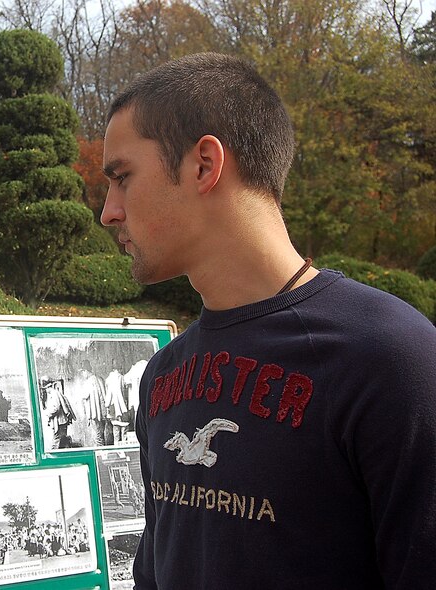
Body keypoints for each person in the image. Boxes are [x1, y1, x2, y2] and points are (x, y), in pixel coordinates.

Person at [100, 52, 436, 589]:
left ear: (204, 165)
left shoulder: (395, 361)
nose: (109, 211)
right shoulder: (161, 376)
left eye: (122, 177)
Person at [78, 360, 111, 446]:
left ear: (85, 371)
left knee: (97, 437)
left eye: (82, 372)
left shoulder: (88, 382)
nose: (82, 375)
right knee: (101, 435)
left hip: (95, 414)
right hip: (102, 413)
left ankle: (100, 454)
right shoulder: (99, 379)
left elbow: (84, 395)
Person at [42, 379, 75, 449]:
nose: (46, 390)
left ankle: (55, 454)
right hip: (60, 421)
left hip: (60, 422)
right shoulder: (53, 393)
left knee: (57, 440)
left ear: (48, 387)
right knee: (61, 440)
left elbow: (56, 408)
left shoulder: (54, 394)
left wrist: (47, 413)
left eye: (46, 388)